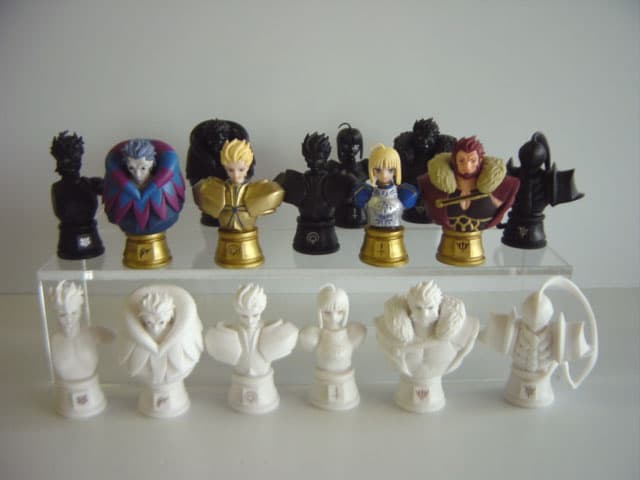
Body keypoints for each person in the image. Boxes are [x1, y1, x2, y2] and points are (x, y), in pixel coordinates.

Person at [375, 280, 478, 412]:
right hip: (404, 395)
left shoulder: (462, 330)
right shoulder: (388, 330)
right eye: (418, 308)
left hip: (436, 395)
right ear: (410, 307)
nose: (425, 314)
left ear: (438, 306)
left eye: (430, 308)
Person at [205, 283, 298, 414]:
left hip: (266, 390)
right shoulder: (226, 333)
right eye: (244, 316)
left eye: (255, 315)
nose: (250, 321)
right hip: (238, 389)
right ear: (238, 312)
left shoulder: (274, 331)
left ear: (261, 310)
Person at [193, 139, 284, 267]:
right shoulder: (217, 189)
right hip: (225, 238)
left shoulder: (256, 190)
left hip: (248, 241)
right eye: (231, 170)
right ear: (225, 168)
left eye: (241, 169)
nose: (236, 174)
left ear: (248, 167)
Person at [121, 285, 203, 417]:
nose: (155, 329)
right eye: (149, 323)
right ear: (142, 319)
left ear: (171, 318)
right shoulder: (134, 340)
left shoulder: (182, 339)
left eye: (161, 323)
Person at [50, 281, 114, 418]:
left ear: (80, 311)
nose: (69, 320)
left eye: (73, 313)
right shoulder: (54, 341)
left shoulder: (93, 334)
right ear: (55, 314)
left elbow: (115, 337)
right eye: (62, 315)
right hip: (67, 400)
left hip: (94, 396)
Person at [298, 284, 366, 410]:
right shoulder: (314, 334)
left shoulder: (353, 332)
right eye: (327, 313)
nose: (334, 317)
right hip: (321, 388)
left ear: (346, 311)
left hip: (347, 388)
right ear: (319, 312)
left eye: (339, 312)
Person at [50, 131, 105, 259]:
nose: (69, 162)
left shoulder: (91, 184)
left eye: (73, 158)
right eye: (65, 158)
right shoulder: (57, 188)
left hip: (88, 240)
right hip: (69, 244)